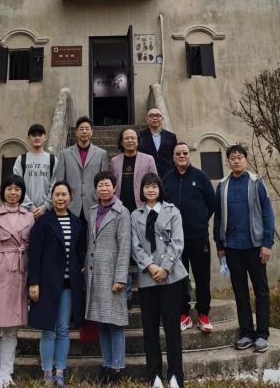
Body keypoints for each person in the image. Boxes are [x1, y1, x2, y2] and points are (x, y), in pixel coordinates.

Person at [214, 144, 275, 354]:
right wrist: (219, 245)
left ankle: (262, 334)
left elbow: (268, 213)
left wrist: (267, 243)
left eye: (239, 157)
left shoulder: (257, 183)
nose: (236, 160)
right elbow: (219, 217)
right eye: (232, 158)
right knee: (240, 292)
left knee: (261, 291)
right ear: (228, 162)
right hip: (232, 248)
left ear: (245, 160)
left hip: (255, 247)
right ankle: (247, 333)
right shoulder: (222, 185)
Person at [0, 175, 35, 388]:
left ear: (22, 192)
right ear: (3, 192)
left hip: (20, 274)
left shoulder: (29, 217)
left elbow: (32, 248)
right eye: (9, 189)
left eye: (17, 189)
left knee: (12, 329)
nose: (13, 193)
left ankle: (6, 373)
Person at [131, 173, 187, 388]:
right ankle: (154, 374)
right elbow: (135, 245)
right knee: (150, 328)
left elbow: (178, 242)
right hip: (148, 278)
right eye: (147, 186)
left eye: (154, 186)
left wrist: (164, 267)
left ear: (160, 189)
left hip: (171, 277)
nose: (151, 190)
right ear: (142, 190)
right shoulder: (135, 215)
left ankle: (175, 375)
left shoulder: (172, 211)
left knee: (172, 328)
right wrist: (151, 266)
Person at [28, 181, 85, 388]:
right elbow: (34, 254)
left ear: (70, 197)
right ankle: (46, 372)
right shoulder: (43, 222)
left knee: (62, 328)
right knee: (48, 329)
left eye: (64, 194)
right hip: (47, 284)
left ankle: (60, 371)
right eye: (57, 194)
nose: (61, 198)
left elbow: (81, 250)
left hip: (69, 285)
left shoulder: (77, 222)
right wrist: (33, 283)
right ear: (51, 197)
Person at [163, 143, 216, 333]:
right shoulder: (167, 179)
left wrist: (200, 220)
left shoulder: (200, 177)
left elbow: (212, 203)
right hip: (175, 241)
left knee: (202, 277)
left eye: (185, 153)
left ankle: (203, 314)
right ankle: (183, 314)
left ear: (189, 155)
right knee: (179, 279)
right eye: (178, 153)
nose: (182, 156)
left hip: (198, 237)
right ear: (173, 157)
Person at [85, 171, 131, 384]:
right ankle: (106, 364)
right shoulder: (93, 211)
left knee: (115, 324)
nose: (103, 188)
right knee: (101, 323)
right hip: (96, 275)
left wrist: (121, 277)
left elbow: (125, 246)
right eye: (100, 185)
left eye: (107, 185)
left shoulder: (122, 212)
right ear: (96, 189)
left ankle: (117, 368)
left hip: (113, 274)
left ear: (114, 188)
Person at [110, 127, 157, 303]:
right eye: (126, 138)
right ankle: (127, 294)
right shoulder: (115, 161)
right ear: (121, 142)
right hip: (121, 211)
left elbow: (155, 184)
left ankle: (148, 290)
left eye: (133, 137)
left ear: (138, 140)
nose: (130, 140)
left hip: (142, 210)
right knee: (123, 251)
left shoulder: (148, 159)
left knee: (144, 248)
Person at [53, 116, 108, 240]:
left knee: (92, 240)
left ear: (91, 132)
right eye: (81, 129)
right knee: (72, 240)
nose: (84, 132)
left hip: (93, 203)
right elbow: (60, 181)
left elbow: (104, 181)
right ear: (76, 132)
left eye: (87, 129)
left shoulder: (101, 154)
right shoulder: (65, 153)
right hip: (71, 204)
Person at [13, 123, 57, 219]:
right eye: (33, 135)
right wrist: (31, 207)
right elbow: (17, 186)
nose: (37, 137)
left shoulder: (52, 159)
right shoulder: (21, 159)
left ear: (45, 137)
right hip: (24, 212)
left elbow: (55, 185)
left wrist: (45, 206)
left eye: (40, 135)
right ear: (28, 138)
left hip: (47, 212)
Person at [137, 108, 177, 178]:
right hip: (147, 175)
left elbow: (174, 156)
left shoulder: (171, 136)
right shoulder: (140, 136)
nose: (155, 118)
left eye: (158, 115)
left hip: (167, 175)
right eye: (152, 116)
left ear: (162, 118)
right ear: (147, 119)